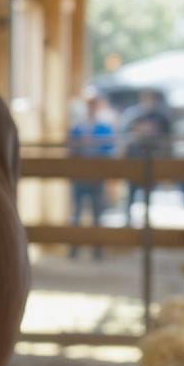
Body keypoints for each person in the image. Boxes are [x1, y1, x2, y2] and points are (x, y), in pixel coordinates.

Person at [66, 94, 114, 260]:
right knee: (76, 214)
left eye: (93, 105)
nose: (90, 108)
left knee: (97, 214)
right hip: (80, 176)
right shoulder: (77, 128)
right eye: (89, 105)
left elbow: (109, 150)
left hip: (96, 176)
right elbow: (70, 149)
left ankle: (97, 249)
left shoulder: (104, 128)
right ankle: (74, 249)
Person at [119, 89, 173, 216]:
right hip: (134, 160)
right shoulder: (133, 116)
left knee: (148, 193)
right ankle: (129, 218)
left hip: (152, 159)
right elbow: (125, 135)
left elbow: (167, 138)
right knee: (131, 191)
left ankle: (146, 219)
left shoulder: (160, 117)